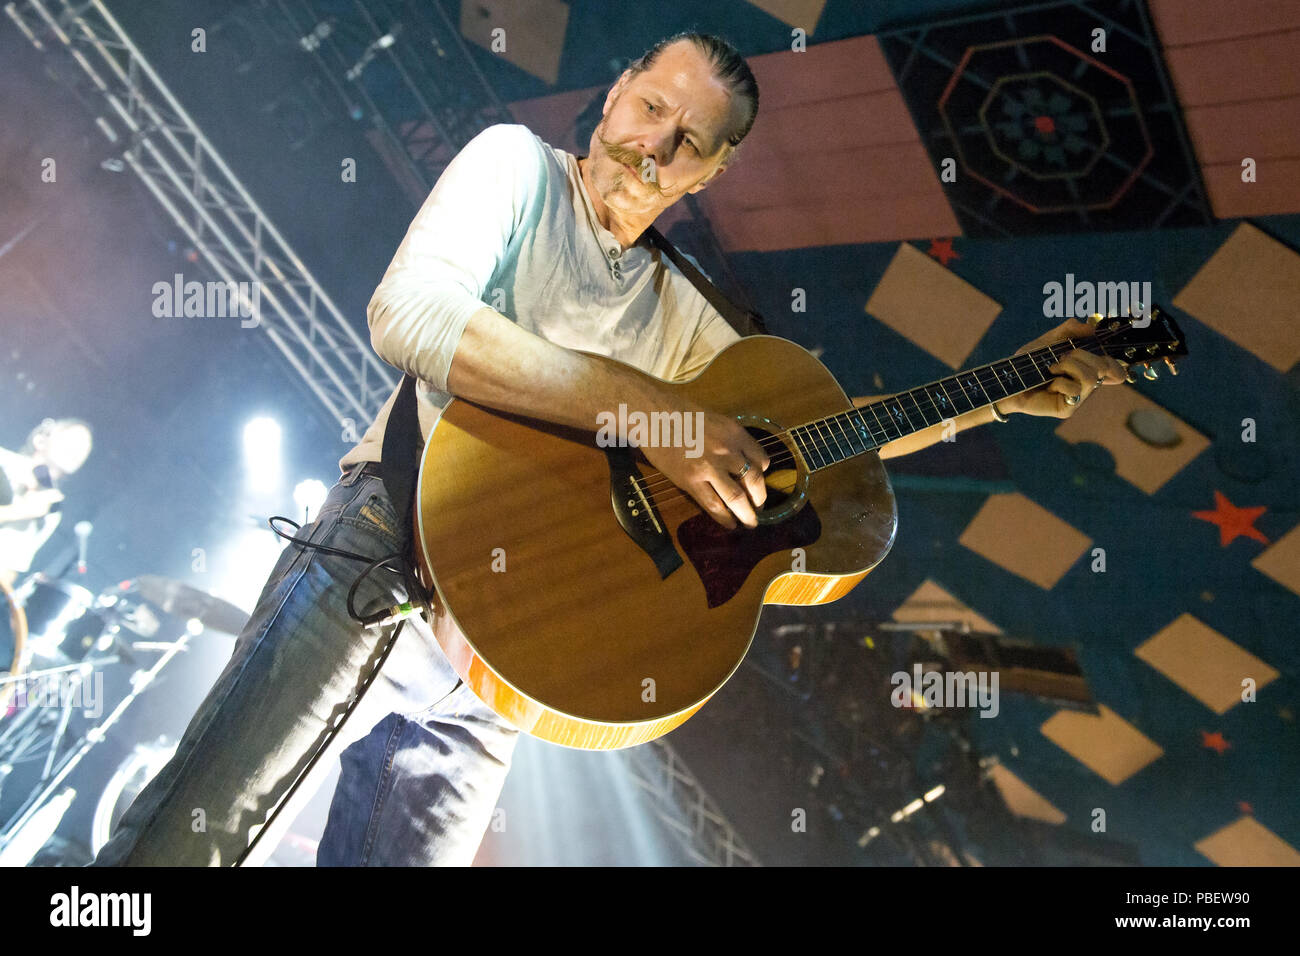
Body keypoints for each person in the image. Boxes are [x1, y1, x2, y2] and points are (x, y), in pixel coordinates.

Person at [92, 32, 1124, 867]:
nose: (655, 143)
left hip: (511, 656)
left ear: (714, 170)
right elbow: (407, 313)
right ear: (617, 90)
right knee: (197, 830)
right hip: (387, 541)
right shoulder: (515, 168)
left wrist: (993, 395)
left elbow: (823, 431)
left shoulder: (689, 316)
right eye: (650, 107)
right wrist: (656, 418)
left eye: (690, 139)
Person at [0, 418, 92, 589]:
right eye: (74, 441)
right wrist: (21, 511)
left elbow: (11, 567)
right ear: (40, 441)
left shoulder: (51, 511)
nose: (79, 451)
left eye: (86, 449)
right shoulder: (3, 461)